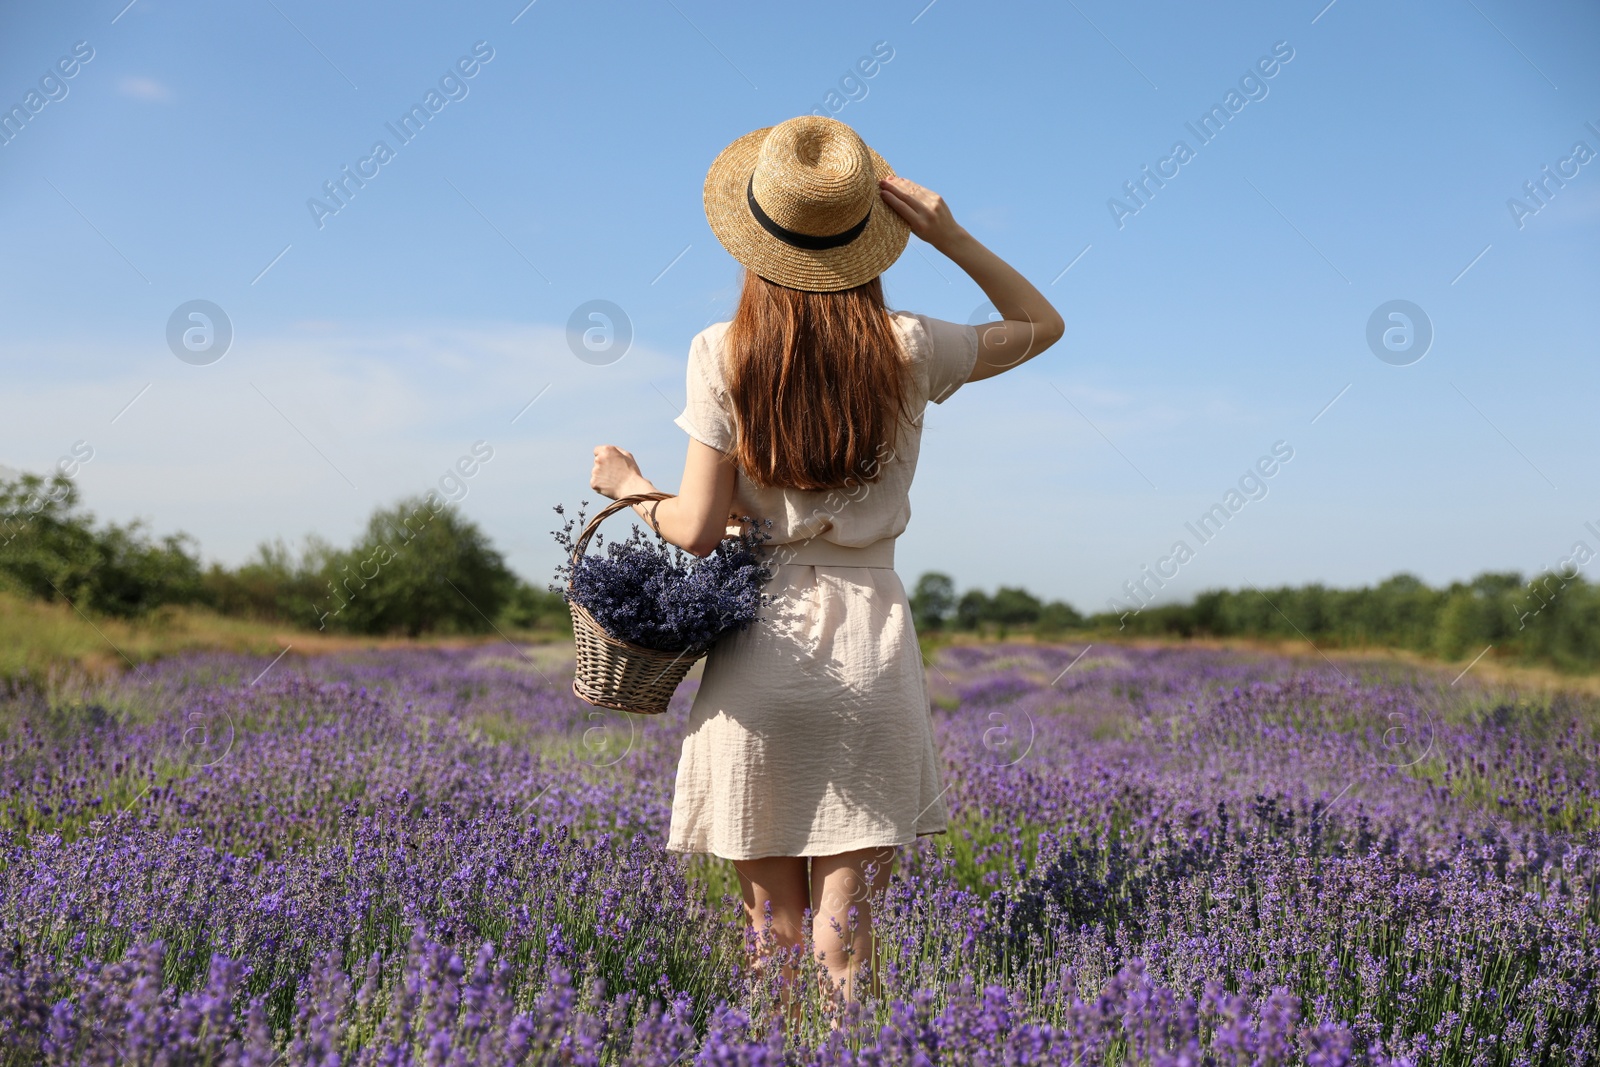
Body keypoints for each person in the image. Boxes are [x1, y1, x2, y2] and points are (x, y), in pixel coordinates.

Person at [588, 115, 1063, 1014]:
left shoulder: (721, 352)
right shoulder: (912, 347)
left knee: (769, 932)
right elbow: (1041, 324)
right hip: (872, 646)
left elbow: (692, 530)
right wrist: (952, 233)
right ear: (871, 244)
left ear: (756, 238)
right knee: (847, 939)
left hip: (760, 654)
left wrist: (632, 485)